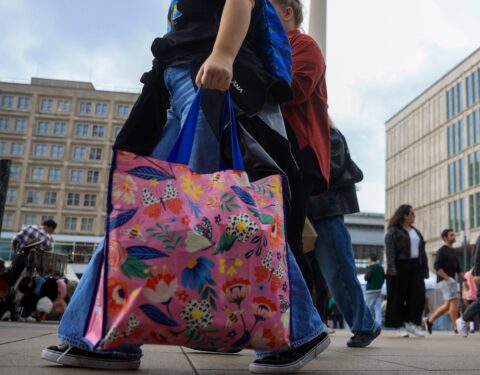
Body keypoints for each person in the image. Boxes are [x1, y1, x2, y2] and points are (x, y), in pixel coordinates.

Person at [41, 1, 330, 373]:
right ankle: (105, 338)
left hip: (209, 77)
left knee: (202, 210)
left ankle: (301, 330)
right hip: (182, 79)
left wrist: (223, 54)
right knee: (144, 209)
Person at [270, 0, 331, 298]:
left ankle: (307, 323)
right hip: (277, 149)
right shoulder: (271, 46)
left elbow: (295, 89)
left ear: (287, 12)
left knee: (288, 238)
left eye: (267, 9)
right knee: (279, 237)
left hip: (298, 153)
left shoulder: (305, 45)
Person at [306, 124, 380, 348]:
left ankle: (364, 324)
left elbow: (330, 168)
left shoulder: (327, 132)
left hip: (323, 209)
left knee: (337, 271)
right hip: (314, 210)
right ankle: (363, 324)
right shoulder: (322, 130)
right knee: (333, 272)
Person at [384, 205, 427, 338]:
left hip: (415, 265)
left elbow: (422, 251)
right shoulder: (393, 231)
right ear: (404, 215)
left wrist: (424, 268)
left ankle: (412, 323)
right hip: (399, 265)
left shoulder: (416, 231)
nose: (414, 216)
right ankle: (398, 325)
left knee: (419, 294)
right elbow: (390, 251)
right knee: (397, 296)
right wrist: (391, 268)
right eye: (412, 214)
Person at [423, 229, 462, 334]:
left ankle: (430, 321)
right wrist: (447, 278)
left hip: (451, 280)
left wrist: (466, 279)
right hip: (445, 280)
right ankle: (456, 327)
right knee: (454, 302)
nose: (454, 236)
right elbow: (437, 266)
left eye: (454, 234)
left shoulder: (454, 251)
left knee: (447, 306)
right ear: (445, 238)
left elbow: (458, 269)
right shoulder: (442, 250)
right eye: (451, 235)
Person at [364, 254, 385, 328]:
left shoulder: (370, 267)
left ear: (370, 259)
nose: (367, 260)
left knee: (367, 307)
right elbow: (383, 278)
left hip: (370, 289)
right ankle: (378, 323)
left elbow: (367, 277)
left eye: (368, 259)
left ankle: (365, 322)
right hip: (378, 289)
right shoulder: (381, 267)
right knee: (378, 307)